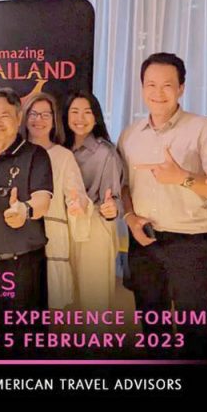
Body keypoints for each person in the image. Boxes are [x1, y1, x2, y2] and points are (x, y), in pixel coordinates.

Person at [119, 53, 207, 358]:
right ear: (142, 87)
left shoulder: (204, 130)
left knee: (193, 329)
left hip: (190, 243)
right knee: (151, 323)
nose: (158, 92)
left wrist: (182, 177)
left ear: (181, 88)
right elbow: (123, 185)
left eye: (167, 85)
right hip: (143, 239)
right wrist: (129, 217)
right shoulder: (130, 135)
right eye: (151, 84)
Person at [0, 87, 53, 353]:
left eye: (5, 115)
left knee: (26, 342)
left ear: (19, 118)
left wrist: (25, 211)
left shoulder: (36, 155)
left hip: (24, 265)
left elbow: (42, 201)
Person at [21, 92, 92, 310]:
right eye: (33, 114)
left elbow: (77, 193)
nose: (39, 120)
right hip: (19, 236)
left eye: (45, 114)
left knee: (53, 308)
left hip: (52, 236)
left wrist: (77, 205)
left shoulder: (63, 156)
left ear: (54, 120)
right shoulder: (16, 152)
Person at [64, 91, 125, 311]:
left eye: (87, 112)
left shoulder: (106, 152)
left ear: (96, 117)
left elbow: (116, 198)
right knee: (67, 300)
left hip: (95, 229)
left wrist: (112, 208)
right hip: (65, 230)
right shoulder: (60, 150)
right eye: (74, 112)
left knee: (94, 301)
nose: (80, 118)